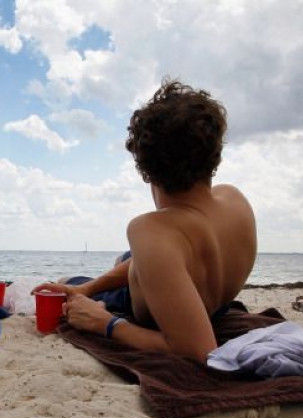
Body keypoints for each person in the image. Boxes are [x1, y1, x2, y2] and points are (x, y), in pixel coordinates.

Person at [33, 79, 257, 363]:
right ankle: (99, 277)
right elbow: (164, 258)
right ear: (214, 154)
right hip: (214, 300)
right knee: (115, 266)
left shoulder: (152, 229)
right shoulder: (234, 200)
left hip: (153, 311)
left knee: (64, 283)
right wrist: (88, 288)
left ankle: (93, 281)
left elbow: (200, 350)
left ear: (144, 167)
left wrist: (105, 323)